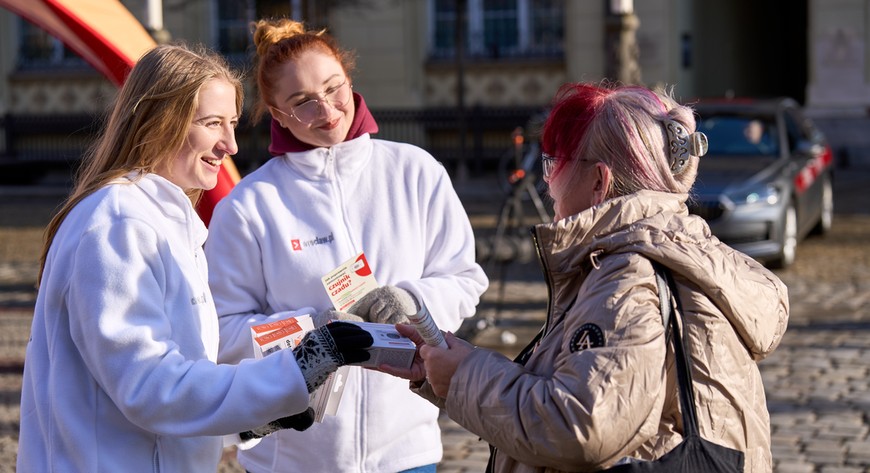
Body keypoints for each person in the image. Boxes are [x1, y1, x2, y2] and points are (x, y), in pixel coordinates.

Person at [382, 82, 788, 472]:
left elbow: (580, 426)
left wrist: (464, 376)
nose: (548, 181)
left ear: (599, 180)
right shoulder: (676, 251)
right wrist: (453, 368)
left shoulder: (629, 279)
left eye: (557, 162)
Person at [17, 43, 374, 473]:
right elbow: (148, 387)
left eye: (234, 124)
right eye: (213, 124)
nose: (231, 145)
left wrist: (263, 413)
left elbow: (181, 389)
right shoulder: (117, 224)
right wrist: (291, 373)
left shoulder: (169, 221)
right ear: (160, 121)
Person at [204, 18, 488, 473]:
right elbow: (222, 330)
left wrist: (410, 300)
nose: (328, 110)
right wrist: (310, 329)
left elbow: (463, 278)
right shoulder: (250, 205)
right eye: (303, 103)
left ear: (349, 79)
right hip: (294, 458)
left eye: (335, 88)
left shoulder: (416, 172)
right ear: (276, 114)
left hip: (406, 450)